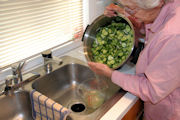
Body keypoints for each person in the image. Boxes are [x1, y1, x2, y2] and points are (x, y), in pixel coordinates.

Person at [88, 0, 180, 120]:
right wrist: (122, 12)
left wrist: (111, 74)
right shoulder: (166, 9)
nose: (129, 13)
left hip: (165, 111)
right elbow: (152, 30)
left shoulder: (173, 36)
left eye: (132, 9)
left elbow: (152, 91)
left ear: (156, 4)